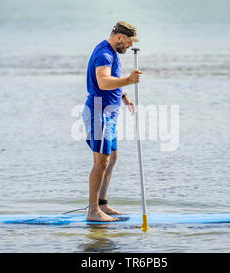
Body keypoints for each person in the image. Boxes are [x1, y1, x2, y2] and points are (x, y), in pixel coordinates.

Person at [82, 21, 142, 222]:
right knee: (101, 161)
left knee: (112, 157)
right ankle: (92, 211)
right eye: (128, 42)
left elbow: (112, 80)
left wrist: (124, 97)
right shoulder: (105, 53)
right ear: (119, 37)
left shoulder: (112, 53)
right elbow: (103, 81)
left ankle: (102, 205)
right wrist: (129, 80)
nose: (129, 46)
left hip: (109, 113)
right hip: (99, 111)